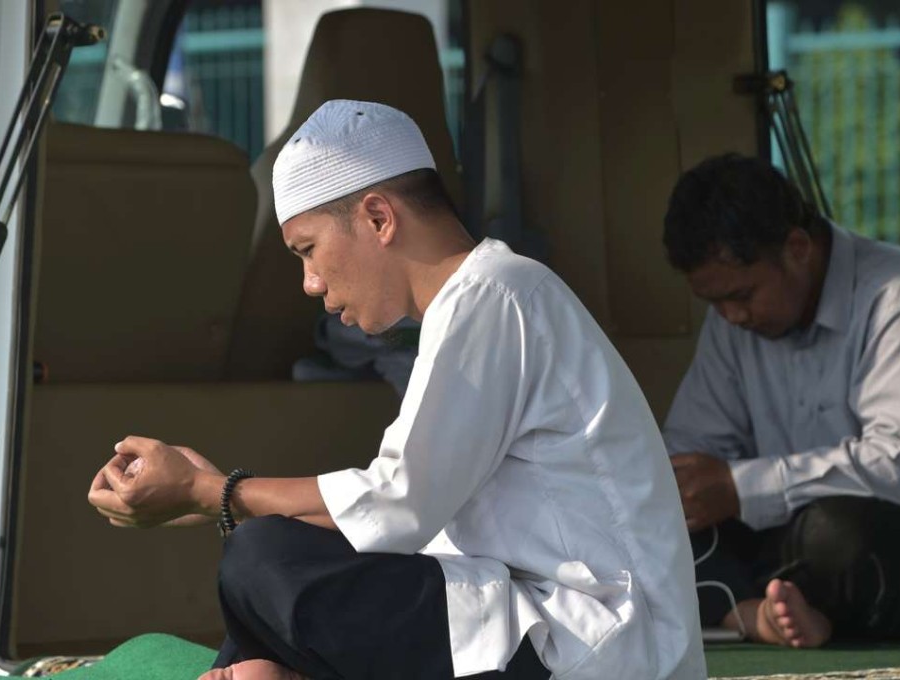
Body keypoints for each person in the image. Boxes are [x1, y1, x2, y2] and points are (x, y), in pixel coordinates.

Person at [87, 100, 705, 680]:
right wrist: (216, 498)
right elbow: (397, 516)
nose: (309, 283)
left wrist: (212, 492)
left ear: (379, 218)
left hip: (598, 644)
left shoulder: (495, 295)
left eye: (308, 250)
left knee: (264, 555)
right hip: (542, 621)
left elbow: (397, 505)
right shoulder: (480, 301)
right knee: (272, 551)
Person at [661, 153, 900, 649]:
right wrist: (680, 490)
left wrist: (743, 488)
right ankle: (761, 612)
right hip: (785, 543)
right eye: (714, 303)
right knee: (659, 521)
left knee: (834, 536)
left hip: (893, 535)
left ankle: (751, 607)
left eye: (742, 295)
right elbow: (691, 449)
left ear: (797, 248)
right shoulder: (731, 320)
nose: (732, 316)